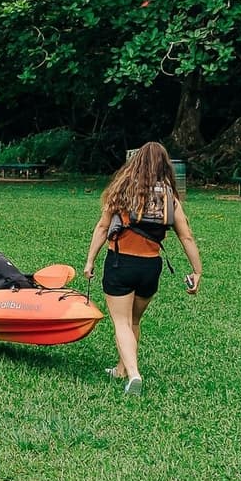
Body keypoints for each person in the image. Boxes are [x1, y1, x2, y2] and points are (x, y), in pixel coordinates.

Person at [83, 141, 203, 395]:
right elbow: (187, 237)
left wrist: (90, 260)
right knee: (134, 321)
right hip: (150, 268)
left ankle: (133, 374)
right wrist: (197, 271)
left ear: (136, 162)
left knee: (122, 322)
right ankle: (121, 369)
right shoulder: (170, 199)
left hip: (121, 264)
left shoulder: (121, 192)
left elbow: (103, 227)